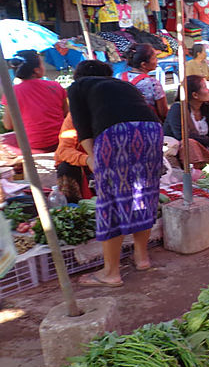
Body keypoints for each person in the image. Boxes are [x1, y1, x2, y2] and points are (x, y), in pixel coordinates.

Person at [67, 59, 162, 287]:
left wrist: (93, 158)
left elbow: (82, 127)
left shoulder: (79, 87)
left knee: (111, 200)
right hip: (151, 130)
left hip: (116, 135)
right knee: (144, 194)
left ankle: (111, 272)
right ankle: (142, 258)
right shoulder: (124, 86)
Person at [55, 60, 113, 203]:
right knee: (66, 167)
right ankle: (74, 207)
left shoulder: (115, 108)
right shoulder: (74, 117)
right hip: (85, 167)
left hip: (111, 162)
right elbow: (63, 151)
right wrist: (88, 160)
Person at [1, 50, 67, 154]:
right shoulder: (55, 86)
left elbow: (8, 125)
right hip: (61, 142)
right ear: (36, 70)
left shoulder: (12, 92)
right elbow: (66, 114)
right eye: (42, 64)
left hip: (31, 146)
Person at [163, 75, 209, 168]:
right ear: (195, 95)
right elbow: (181, 135)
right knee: (189, 143)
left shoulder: (205, 106)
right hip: (184, 152)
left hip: (206, 148)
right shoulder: (178, 108)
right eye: (205, 87)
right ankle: (197, 168)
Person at [119, 43, 168, 122]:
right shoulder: (153, 84)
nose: (157, 61)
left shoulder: (119, 77)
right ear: (144, 64)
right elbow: (163, 113)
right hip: (148, 125)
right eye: (154, 58)